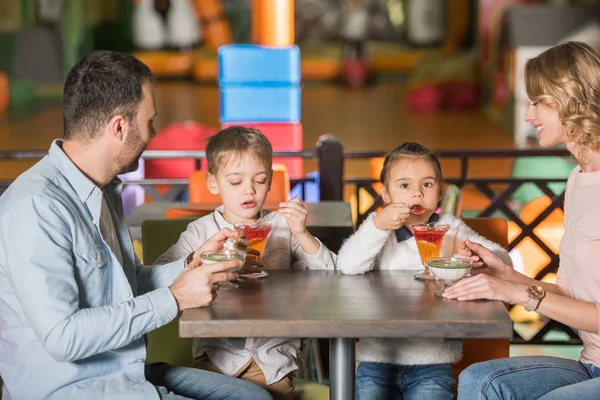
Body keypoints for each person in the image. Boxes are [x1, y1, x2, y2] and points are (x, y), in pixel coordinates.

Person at [0, 50, 272, 400]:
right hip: (76, 388)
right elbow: (63, 338)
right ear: (119, 127)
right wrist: (175, 298)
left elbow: (126, 285)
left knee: (254, 397)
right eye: (149, 122)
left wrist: (193, 264)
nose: (153, 134)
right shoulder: (36, 206)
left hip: (124, 370)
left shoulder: (101, 188)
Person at [444, 41, 600, 400]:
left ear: (569, 99)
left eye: (537, 102)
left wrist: (517, 292)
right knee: (480, 381)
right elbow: (571, 295)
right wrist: (506, 276)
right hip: (590, 363)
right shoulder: (579, 180)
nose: (529, 116)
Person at [156, 125, 336, 400]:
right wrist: (198, 259)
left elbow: (332, 275)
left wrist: (302, 233)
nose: (249, 191)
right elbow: (159, 274)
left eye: (260, 180)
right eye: (236, 182)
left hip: (273, 363)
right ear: (213, 182)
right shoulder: (200, 232)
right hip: (215, 359)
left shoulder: (284, 227)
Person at [336, 141, 512, 400]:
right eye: (404, 186)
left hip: (434, 363)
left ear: (441, 191)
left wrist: (478, 258)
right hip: (377, 360)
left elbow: (504, 264)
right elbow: (347, 266)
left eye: (427, 184)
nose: (416, 193)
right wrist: (378, 225)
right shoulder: (380, 231)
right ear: (386, 194)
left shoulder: (451, 228)